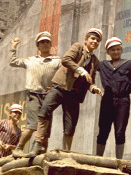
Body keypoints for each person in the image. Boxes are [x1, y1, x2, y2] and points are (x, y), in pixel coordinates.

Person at [27, 28, 104, 156]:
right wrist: (82, 71)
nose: (95, 41)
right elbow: (66, 60)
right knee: (44, 111)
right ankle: (37, 145)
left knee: (70, 125)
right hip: (60, 86)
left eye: (97, 40)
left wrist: (93, 87)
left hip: (74, 94)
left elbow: (90, 79)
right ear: (86, 40)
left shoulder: (95, 60)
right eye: (92, 38)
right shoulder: (78, 47)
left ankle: (66, 153)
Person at [10, 32, 61, 156]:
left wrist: (54, 87)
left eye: (47, 42)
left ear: (50, 45)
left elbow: (64, 76)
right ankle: (19, 148)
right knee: (33, 125)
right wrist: (13, 47)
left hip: (49, 96)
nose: (44, 44)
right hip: (33, 94)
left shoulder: (57, 61)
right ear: (37, 45)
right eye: (42, 42)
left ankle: (41, 154)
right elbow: (13, 62)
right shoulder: (30, 60)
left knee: (46, 129)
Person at [96, 37, 131, 159]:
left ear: (121, 50)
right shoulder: (103, 65)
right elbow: (89, 67)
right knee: (103, 130)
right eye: (112, 50)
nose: (116, 52)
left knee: (120, 131)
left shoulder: (128, 64)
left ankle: (119, 161)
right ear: (108, 52)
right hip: (107, 100)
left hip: (123, 101)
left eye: (118, 49)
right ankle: (97, 159)